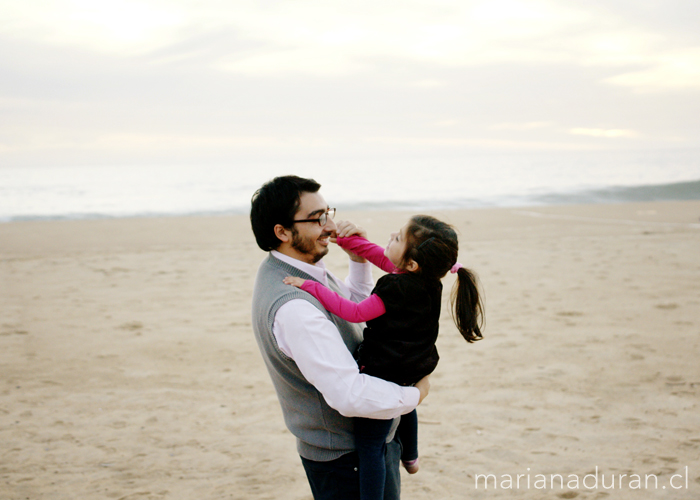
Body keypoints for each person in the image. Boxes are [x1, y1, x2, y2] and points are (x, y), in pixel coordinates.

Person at [250, 175, 430, 500]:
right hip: (347, 461)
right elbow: (350, 396)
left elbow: (354, 311)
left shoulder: (300, 268)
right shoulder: (293, 307)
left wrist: (359, 260)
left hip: (360, 448)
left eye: (328, 212)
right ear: (282, 232)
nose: (332, 226)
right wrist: (415, 395)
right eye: (318, 218)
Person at [284, 214, 483, 500]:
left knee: (370, 446)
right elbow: (377, 254)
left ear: (411, 263)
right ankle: (411, 457)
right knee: (406, 404)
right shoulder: (428, 278)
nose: (391, 235)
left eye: (399, 237)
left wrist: (311, 286)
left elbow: (353, 312)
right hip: (415, 363)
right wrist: (350, 242)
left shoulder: (393, 287)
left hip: (385, 368)